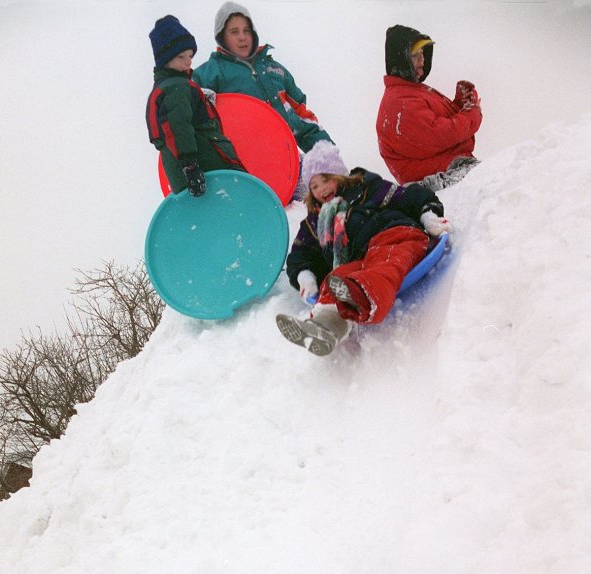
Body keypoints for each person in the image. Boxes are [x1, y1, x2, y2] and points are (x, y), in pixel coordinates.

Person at [276, 141, 450, 357]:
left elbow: (408, 196)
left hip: (396, 235)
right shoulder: (316, 221)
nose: (322, 189)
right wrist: (305, 276)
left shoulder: (367, 188)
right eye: (314, 186)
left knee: (385, 263)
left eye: (326, 180)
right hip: (362, 259)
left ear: (339, 174)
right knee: (337, 276)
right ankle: (325, 327)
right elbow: (302, 254)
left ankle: (361, 295)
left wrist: (428, 214)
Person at [192, 2, 334, 154]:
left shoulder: (275, 70)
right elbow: (186, 113)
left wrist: (328, 155)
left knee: (324, 173)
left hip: (286, 161)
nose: (242, 37)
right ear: (222, 37)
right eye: (234, 32)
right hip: (243, 164)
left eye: (246, 30)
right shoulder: (210, 73)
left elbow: (302, 118)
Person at [146, 15, 244, 197]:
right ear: (164, 61)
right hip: (209, 168)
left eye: (190, 55)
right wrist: (190, 166)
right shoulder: (176, 87)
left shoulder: (165, 89)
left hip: (190, 172)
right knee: (237, 203)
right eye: (181, 56)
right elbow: (178, 127)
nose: (188, 62)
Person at [375, 25, 482, 191]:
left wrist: (461, 104)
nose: (422, 60)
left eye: (423, 54)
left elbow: (431, 131)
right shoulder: (401, 102)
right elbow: (439, 134)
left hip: (450, 169)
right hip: (438, 180)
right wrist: (472, 114)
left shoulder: (410, 91)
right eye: (415, 55)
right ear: (401, 59)